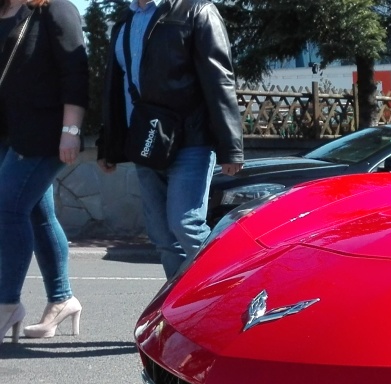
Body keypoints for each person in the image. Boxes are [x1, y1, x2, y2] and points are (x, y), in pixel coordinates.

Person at [98, 0, 243, 280]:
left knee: (185, 224)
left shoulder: (197, 10)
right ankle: (182, 311)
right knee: (163, 236)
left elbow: (219, 80)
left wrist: (230, 145)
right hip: (146, 141)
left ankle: (230, 288)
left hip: (191, 140)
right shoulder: (125, 20)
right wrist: (109, 146)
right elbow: (114, 87)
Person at [0, 0, 88, 341]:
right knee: (38, 216)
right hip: (10, 133)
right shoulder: (5, 12)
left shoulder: (55, 9)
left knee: (7, 208)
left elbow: (75, 71)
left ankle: (6, 303)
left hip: (44, 134)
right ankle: (62, 299)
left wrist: (72, 130)